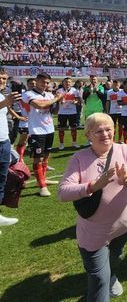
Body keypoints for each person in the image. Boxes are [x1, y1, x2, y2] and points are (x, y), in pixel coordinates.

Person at [58, 113, 127, 301]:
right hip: (94, 233)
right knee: (99, 279)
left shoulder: (124, 149)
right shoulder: (79, 158)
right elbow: (63, 192)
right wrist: (92, 186)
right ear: (88, 135)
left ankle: (112, 276)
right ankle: (106, 281)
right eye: (98, 131)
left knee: (115, 258)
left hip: (124, 226)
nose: (105, 134)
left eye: (108, 129)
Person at [22, 73, 64, 197]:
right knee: (38, 159)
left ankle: (43, 180)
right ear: (36, 81)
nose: (45, 85)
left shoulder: (49, 95)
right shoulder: (28, 94)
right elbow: (39, 105)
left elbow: (54, 111)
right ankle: (42, 186)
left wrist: (59, 101)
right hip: (36, 131)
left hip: (49, 129)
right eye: (42, 82)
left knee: (46, 157)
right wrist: (56, 98)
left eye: (47, 83)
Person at [0, 69, 21, 228]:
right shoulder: (3, 98)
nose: (2, 81)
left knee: (1, 179)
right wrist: (5, 103)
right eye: (0, 78)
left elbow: (5, 109)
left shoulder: (2, 95)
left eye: (4, 78)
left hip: (4, 142)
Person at [56, 77, 82, 150]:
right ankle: (61, 144)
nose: (67, 83)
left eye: (69, 82)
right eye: (66, 82)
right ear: (63, 83)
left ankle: (74, 143)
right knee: (61, 129)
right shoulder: (59, 91)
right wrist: (60, 101)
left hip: (72, 112)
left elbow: (78, 101)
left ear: (71, 83)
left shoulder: (75, 91)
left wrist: (75, 102)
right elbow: (55, 100)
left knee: (73, 128)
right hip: (62, 113)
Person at [14, 78, 35, 161]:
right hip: (25, 122)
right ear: (27, 84)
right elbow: (9, 106)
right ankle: (20, 160)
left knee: (38, 143)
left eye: (34, 83)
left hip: (37, 123)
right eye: (31, 83)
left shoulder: (39, 95)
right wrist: (18, 116)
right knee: (23, 142)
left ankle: (40, 162)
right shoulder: (21, 94)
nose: (33, 85)